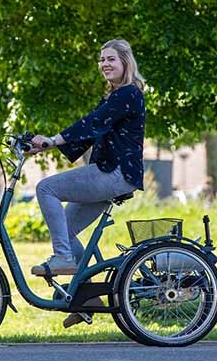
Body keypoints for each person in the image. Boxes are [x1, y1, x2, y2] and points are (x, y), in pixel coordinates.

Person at [27, 39, 146, 327]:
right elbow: (92, 132)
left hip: (115, 173)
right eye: (101, 59)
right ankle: (88, 299)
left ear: (125, 63)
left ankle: (63, 259)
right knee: (65, 229)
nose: (104, 64)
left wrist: (53, 141)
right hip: (109, 172)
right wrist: (44, 145)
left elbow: (91, 122)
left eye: (111, 59)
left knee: (46, 188)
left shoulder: (128, 94)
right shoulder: (114, 96)